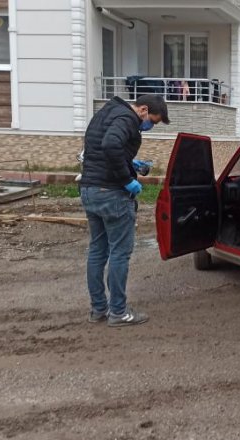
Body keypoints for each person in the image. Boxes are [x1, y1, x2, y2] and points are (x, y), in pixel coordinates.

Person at [79, 94, 169, 327]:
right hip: (112, 194)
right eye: (153, 121)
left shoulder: (107, 113)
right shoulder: (127, 118)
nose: (149, 126)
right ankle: (118, 312)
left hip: (90, 189)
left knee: (98, 251)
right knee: (119, 253)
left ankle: (98, 309)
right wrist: (126, 179)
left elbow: (101, 148)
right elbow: (110, 145)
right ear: (143, 110)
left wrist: (131, 163)